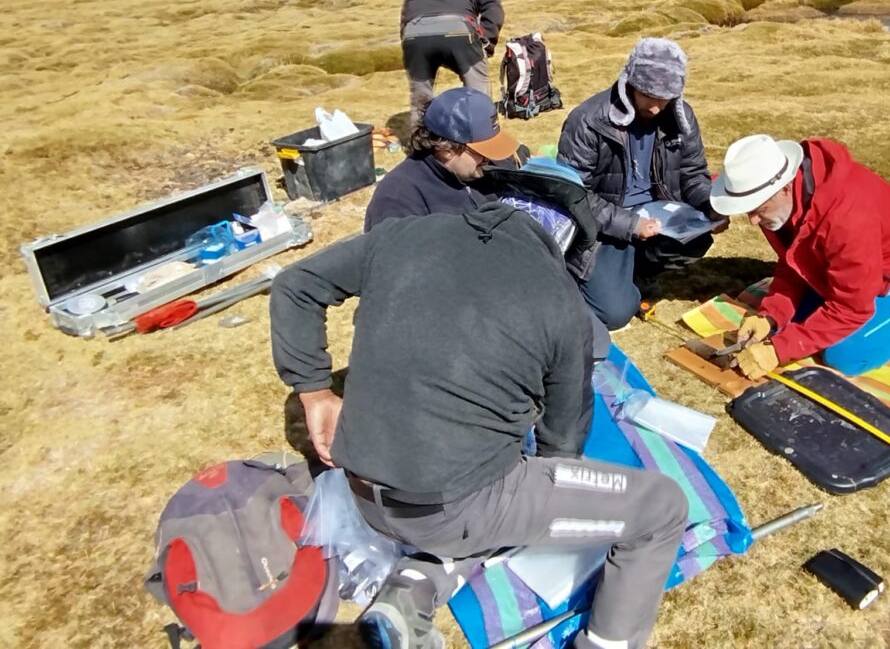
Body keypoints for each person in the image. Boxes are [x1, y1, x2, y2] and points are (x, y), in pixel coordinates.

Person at [271, 203, 689, 649]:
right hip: (444, 505)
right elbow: (560, 448)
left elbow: (295, 284)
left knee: (495, 496)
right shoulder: (557, 296)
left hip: (362, 485)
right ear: (561, 246)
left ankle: (412, 591)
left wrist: (314, 391)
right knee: (661, 507)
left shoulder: (404, 235)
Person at [709, 134, 890, 379]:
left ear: (785, 188)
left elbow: (852, 308)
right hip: (846, 269)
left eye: (758, 209)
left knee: (845, 356)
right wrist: (771, 316)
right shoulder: (780, 199)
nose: (753, 221)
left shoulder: (847, 218)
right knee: (789, 327)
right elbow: (794, 264)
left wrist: (779, 351)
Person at [558, 38, 725, 331]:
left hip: (659, 217)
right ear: (629, 83)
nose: (658, 108)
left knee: (699, 238)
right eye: (649, 95)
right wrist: (630, 224)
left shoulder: (681, 116)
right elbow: (574, 195)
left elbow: (693, 173)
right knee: (614, 314)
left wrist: (709, 206)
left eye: (666, 98)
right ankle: (593, 279)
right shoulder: (588, 120)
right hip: (605, 227)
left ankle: (636, 273)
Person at [364, 87, 518, 231]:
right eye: (482, 151)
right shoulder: (397, 199)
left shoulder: (485, 168)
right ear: (446, 149)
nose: (489, 158)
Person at [400, 0, 504, 128]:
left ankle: (420, 143)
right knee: (477, 89)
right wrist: (487, 42)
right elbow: (493, 8)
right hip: (458, 30)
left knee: (420, 96)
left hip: (414, 33)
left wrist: (407, 41)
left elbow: (406, 10)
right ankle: (484, 138)